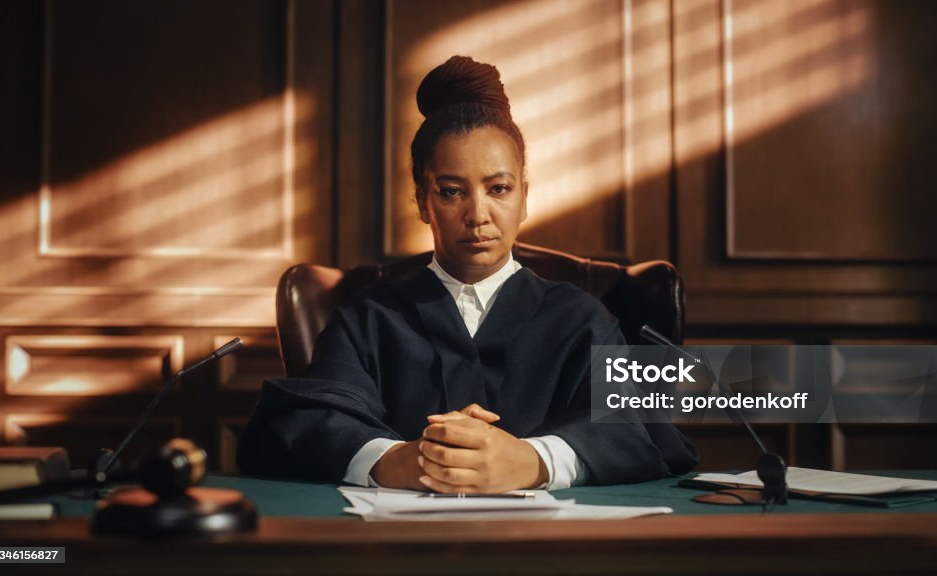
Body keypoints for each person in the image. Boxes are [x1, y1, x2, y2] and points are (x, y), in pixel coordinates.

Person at [237, 56, 697, 493]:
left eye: (499, 188)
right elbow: (304, 423)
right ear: (422, 201)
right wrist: (400, 460)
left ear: (524, 197)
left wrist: (532, 462)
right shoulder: (369, 318)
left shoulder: (582, 319)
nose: (478, 214)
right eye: (452, 191)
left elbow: (639, 432)